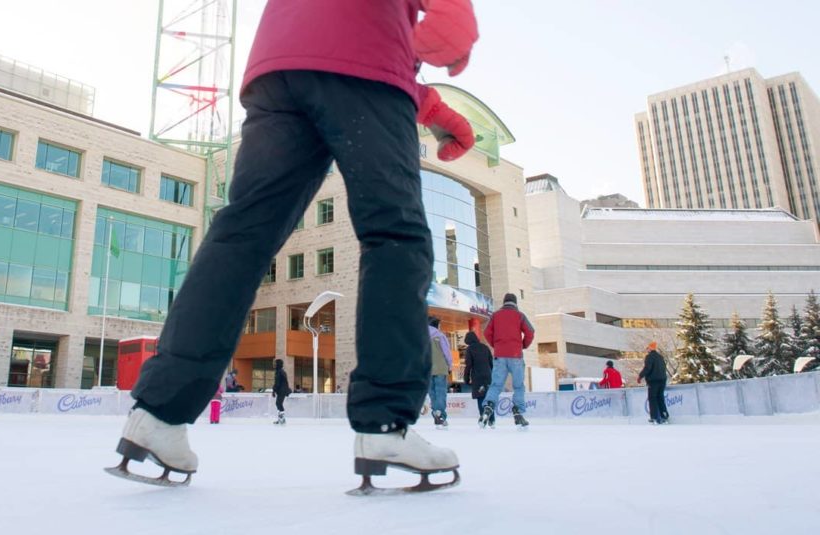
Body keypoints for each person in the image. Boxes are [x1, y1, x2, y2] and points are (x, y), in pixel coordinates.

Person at [109, 0, 478, 493]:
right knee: (396, 235)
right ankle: (385, 426)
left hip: (280, 65)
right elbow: (359, 49)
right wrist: (457, 15)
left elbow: (338, 30)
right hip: (362, 71)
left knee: (242, 234)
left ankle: (157, 415)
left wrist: (429, 106)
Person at [481, 293, 535, 428]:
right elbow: (530, 332)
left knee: (496, 385)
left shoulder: (495, 315)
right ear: (515, 303)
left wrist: (496, 345)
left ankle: (488, 407)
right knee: (518, 386)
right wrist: (523, 345)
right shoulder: (520, 316)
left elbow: (486, 332)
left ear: (504, 302)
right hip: (516, 355)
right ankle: (518, 412)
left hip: (500, 355)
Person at [462, 330, 494, 427]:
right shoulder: (485, 347)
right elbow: (491, 363)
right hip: (488, 376)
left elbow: (468, 365)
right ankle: (492, 420)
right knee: (489, 398)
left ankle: (483, 417)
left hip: (477, 377)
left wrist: (466, 378)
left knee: (480, 397)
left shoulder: (470, 349)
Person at [428, 317, 452, 428]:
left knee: (432, 393)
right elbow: (446, 352)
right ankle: (440, 413)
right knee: (440, 392)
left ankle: (436, 416)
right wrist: (450, 365)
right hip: (440, 368)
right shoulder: (440, 336)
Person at [638, 342, 669, 424]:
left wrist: (640, 376)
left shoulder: (649, 357)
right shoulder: (660, 357)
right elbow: (664, 368)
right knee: (660, 398)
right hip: (662, 380)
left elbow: (647, 368)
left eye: (647, 348)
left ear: (651, 348)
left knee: (652, 398)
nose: (647, 349)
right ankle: (664, 416)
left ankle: (654, 417)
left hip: (653, 381)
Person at [272, 359, 292, 426]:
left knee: (279, 404)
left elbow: (277, 383)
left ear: (278, 364)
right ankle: (280, 419)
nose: (274, 365)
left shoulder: (279, 372)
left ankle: (282, 420)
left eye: (275, 363)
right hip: (281, 390)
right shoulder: (280, 371)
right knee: (278, 404)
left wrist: (274, 390)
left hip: (282, 390)